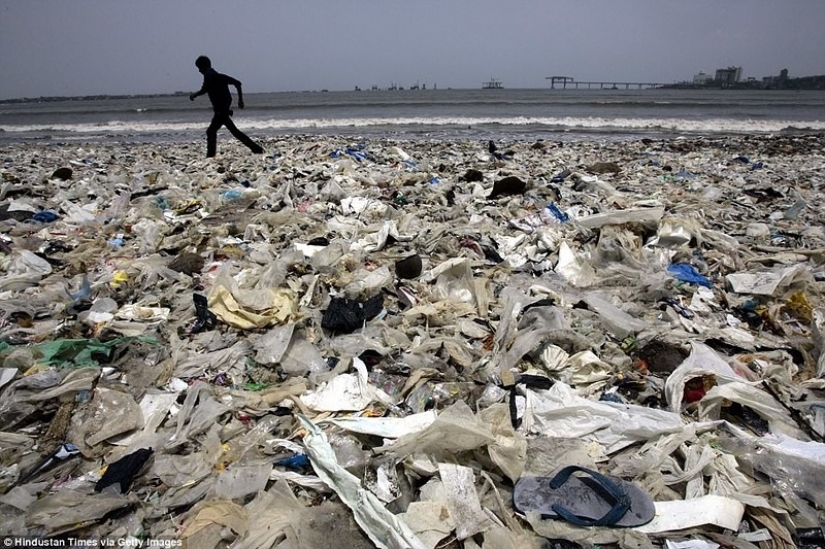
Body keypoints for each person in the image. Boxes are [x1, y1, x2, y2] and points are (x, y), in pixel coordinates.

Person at [189, 56, 264, 158]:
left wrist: (195, 95)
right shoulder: (219, 76)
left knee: (212, 131)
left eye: (199, 68)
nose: (199, 71)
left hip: (221, 110)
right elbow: (238, 83)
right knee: (233, 132)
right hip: (223, 109)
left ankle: (210, 156)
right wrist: (240, 100)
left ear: (203, 67)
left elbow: (204, 89)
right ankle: (256, 149)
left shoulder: (209, 75)